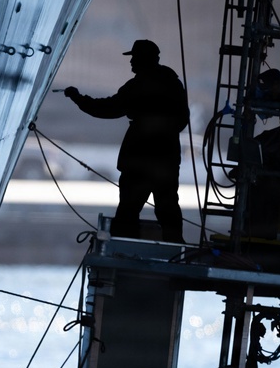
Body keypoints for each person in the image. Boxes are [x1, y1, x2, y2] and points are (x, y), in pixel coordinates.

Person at [64, 40, 190, 242]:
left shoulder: (137, 86)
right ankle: (176, 249)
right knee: (168, 209)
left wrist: (78, 98)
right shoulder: (173, 84)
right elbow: (182, 119)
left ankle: (122, 249)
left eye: (134, 57)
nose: (131, 62)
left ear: (144, 59)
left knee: (128, 211)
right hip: (166, 159)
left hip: (139, 160)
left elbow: (107, 108)